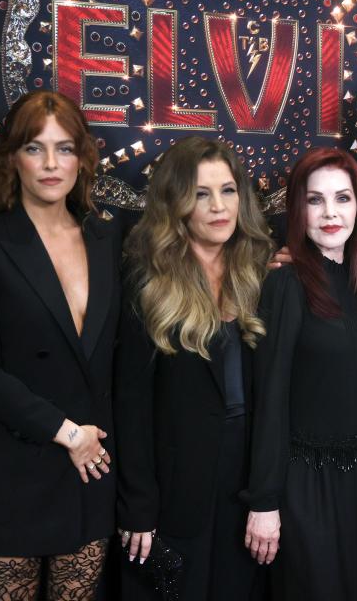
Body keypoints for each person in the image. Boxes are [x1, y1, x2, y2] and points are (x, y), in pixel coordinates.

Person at [0, 89, 120, 600]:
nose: (51, 163)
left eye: (65, 148)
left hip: (90, 473)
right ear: (10, 158)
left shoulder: (107, 238)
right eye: (34, 148)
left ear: (83, 157)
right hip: (14, 467)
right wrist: (67, 434)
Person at [113, 137, 274, 600]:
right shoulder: (147, 281)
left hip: (248, 480)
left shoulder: (261, 272)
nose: (219, 207)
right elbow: (131, 404)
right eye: (201, 194)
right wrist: (138, 506)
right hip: (176, 484)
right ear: (176, 202)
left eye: (228, 190)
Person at [244, 147, 357, 600]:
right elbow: (270, 398)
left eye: (343, 198)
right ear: (298, 208)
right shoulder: (286, 283)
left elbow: (356, 358)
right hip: (308, 486)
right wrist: (265, 502)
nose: (331, 213)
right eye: (315, 200)